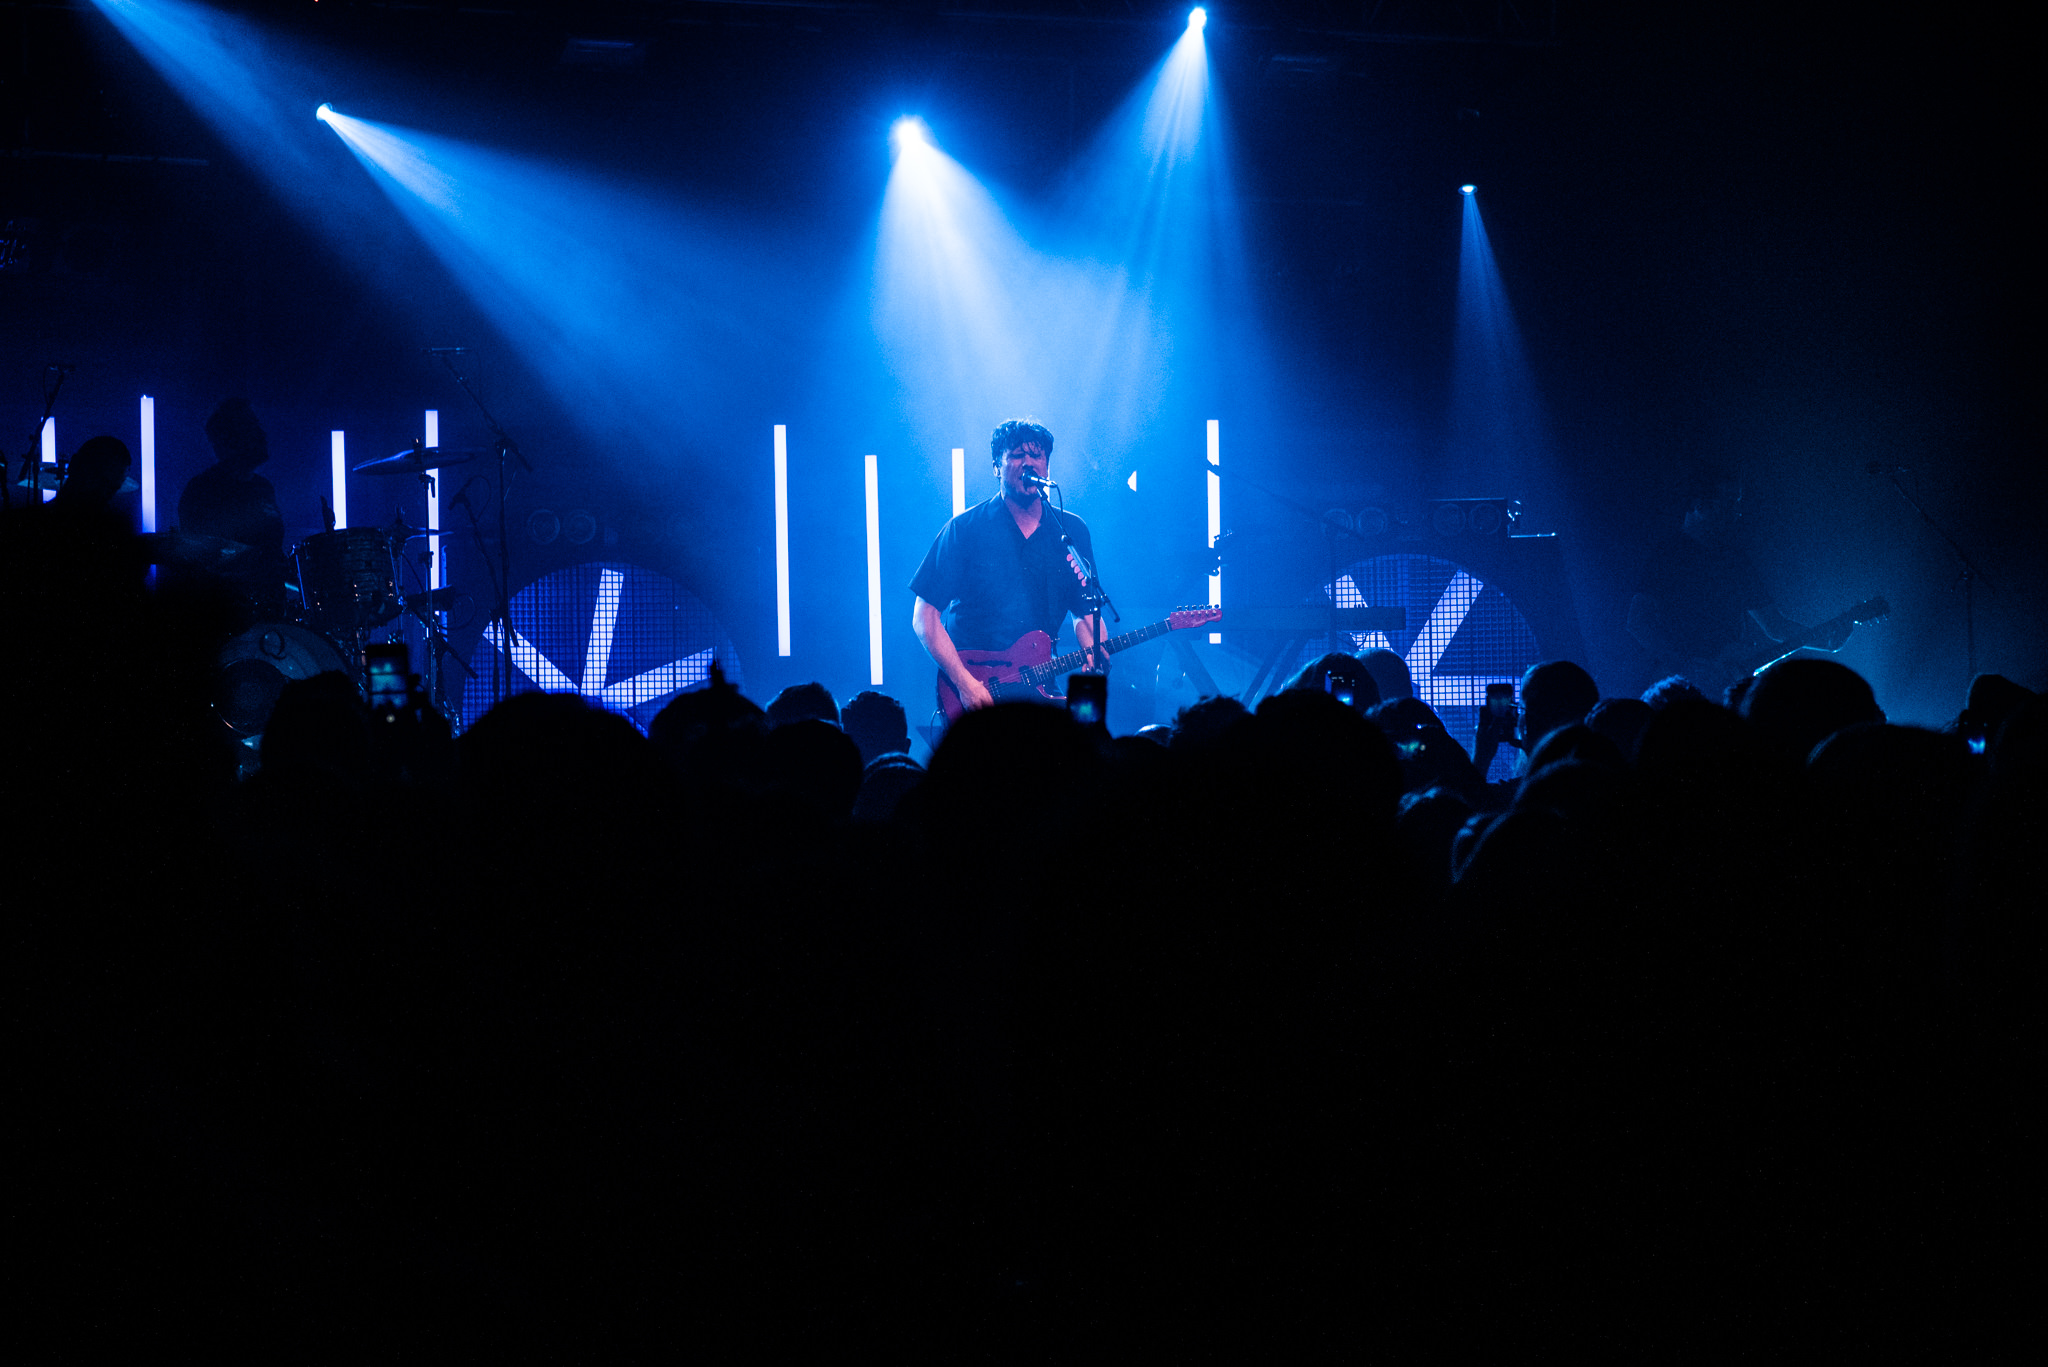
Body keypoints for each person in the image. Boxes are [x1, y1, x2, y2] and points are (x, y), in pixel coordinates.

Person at [909, 419, 1102, 713]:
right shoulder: (965, 530)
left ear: (1047, 467)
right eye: (1016, 455)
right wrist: (965, 684)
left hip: (1041, 690)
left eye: (1036, 456)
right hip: (977, 690)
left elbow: (1084, 611)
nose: (1028, 463)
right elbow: (925, 617)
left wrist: (1094, 647)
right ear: (997, 466)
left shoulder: (1070, 530)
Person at [1627, 469, 1838, 696]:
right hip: (1682, 690)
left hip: (1727, 685)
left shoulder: (1735, 560)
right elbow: (1638, 622)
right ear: (1700, 505)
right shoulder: (1668, 556)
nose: (1737, 512)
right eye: (1729, 503)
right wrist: (1685, 666)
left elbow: (1775, 626)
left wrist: (1826, 641)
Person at [177, 398, 291, 623]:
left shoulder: (263, 487)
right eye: (252, 427)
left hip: (269, 610)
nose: (262, 434)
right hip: (227, 615)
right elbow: (198, 557)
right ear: (229, 439)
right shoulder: (202, 490)